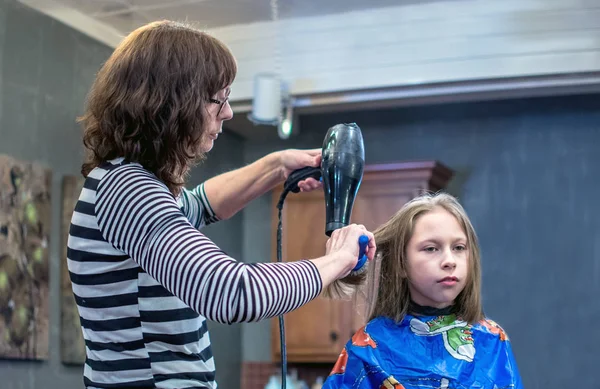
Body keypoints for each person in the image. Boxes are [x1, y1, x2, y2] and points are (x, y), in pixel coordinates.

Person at [68, 20, 376, 389]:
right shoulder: (129, 189)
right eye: (219, 99)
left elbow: (201, 204)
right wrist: (337, 260)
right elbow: (230, 292)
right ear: (173, 103)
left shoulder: (131, 185)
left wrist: (276, 166)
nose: (228, 113)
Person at [322, 192, 523, 389]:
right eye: (431, 249)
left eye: (459, 248)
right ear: (401, 263)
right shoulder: (367, 348)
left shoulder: (493, 341)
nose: (449, 261)